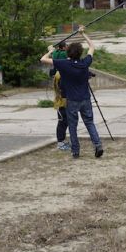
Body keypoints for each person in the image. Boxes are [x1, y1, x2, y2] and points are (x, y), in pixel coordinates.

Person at [40, 26, 103, 159]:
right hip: (85, 98)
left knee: (73, 126)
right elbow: (92, 46)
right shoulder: (85, 63)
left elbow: (43, 59)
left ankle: (75, 151)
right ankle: (98, 145)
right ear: (80, 53)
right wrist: (83, 33)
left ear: (68, 53)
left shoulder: (63, 64)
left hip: (72, 100)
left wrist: (51, 51)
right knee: (89, 122)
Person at [50, 41, 69, 151]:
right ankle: (60, 142)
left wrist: (51, 51)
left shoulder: (56, 53)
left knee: (65, 121)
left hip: (62, 100)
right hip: (62, 101)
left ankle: (62, 141)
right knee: (62, 121)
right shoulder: (60, 75)